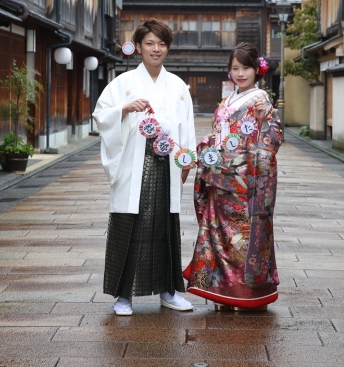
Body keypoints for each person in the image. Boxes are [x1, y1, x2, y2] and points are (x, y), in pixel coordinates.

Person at [93, 19, 196, 316]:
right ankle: (123, 296)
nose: (156, 49)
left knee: (166, 227)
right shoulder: (123, 84)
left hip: (166, 167)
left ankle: (168, 291)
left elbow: (185, 127)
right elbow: (101, 116)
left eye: (162, 44)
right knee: (131, 227)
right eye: (150, 43)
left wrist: (185, 158)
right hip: (133, 164)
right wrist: (124, 109)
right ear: (138, 46)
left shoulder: (177, 85)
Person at [185, 42, 283, 311]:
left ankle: (246, 294)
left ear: (257, 70)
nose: (241, 74)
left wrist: (267, 122)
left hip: (245, 181)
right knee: (219, 236)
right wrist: (202, 151)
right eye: (235, 68)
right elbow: (218, 135)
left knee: (242, 238)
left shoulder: (261, 99)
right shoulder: (227, 100)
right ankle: (222, 291)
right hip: (219, 178)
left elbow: (271, 134)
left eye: (246, 68)